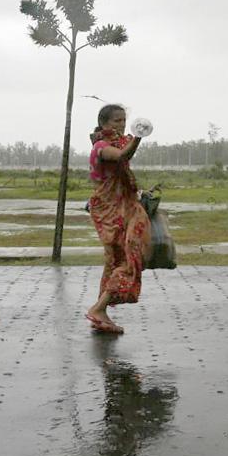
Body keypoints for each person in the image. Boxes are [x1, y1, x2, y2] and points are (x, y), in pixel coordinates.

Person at [85, 104, 151, 334]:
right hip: (112, 212)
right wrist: (139, 136)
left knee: (118, 259)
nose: (122, 125)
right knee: (129, 259)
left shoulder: (118, 142)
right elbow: (123, 155)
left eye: (124, 120)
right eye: (116, 121)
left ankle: (101, 313)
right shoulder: (102, 147)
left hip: (124, 208)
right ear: (104, 124)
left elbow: (125, 151)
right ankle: (98, 308)